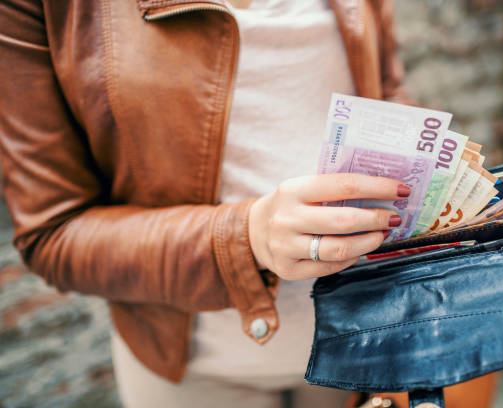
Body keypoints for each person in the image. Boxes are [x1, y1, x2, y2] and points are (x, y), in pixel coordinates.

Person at [0, 0, 410, 406]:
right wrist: (247, 237)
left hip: (364, 344)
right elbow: (52, 233)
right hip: (199, 376)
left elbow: (386, 91)